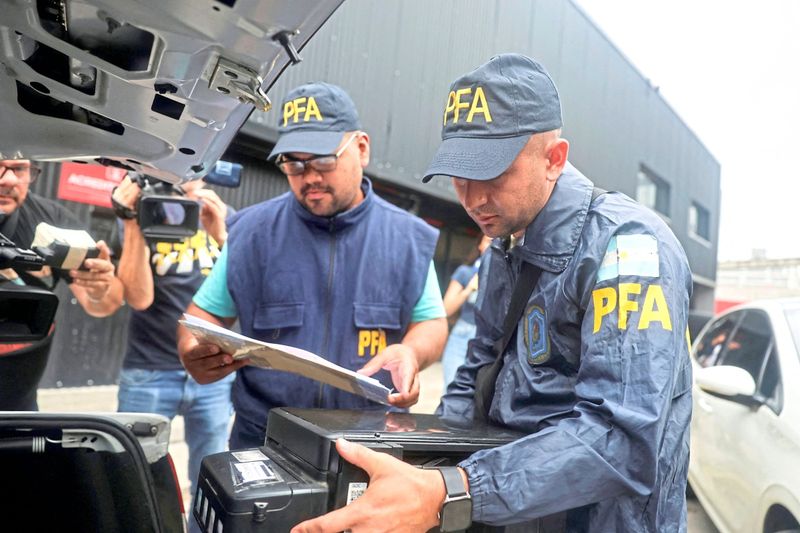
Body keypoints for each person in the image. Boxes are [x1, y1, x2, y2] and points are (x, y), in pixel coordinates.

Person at [291, 54, 693, 533]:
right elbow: (480, 369)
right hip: (510, 510)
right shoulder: (504, 245)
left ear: (554, 159)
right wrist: (426, 464)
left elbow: (619, 438)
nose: (473, 199)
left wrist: (454, 490)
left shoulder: (628, 248)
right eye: (460, 175)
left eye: (493, 174)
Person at [176, 82, 448, 449]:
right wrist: (194, 350)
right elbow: (201, 317)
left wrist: (412, 352)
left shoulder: (405, 238)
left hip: (368, 444)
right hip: (265, 441)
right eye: (294, 163)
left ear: (362, 149)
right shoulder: (251, 233)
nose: (310, 176)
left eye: (323, 160)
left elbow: (431, 322)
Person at [112, 175, 235, 515]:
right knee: (133, 475)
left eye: (193, 173)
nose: (185, 182)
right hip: (150, 369)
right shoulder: (144, 217)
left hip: (213, 370)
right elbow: (138, 298)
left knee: (210, 480)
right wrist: (133, 221)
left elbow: (245, 295)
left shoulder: (223, 216)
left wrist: (223, 235)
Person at [0, 159, 123, 410]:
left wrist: (100, 287)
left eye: (20, 169)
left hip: (19, 400)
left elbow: (102, 304)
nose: (9, 180)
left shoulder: (50, 221)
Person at [440, 233, 491, 389]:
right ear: (480, 245)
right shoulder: (465, 272)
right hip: (462, 335)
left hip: (489, 339)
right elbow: (446, 310)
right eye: (489, 241)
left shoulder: (507, 274)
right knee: (452, 387)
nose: (493, 245)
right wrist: (469, 288)